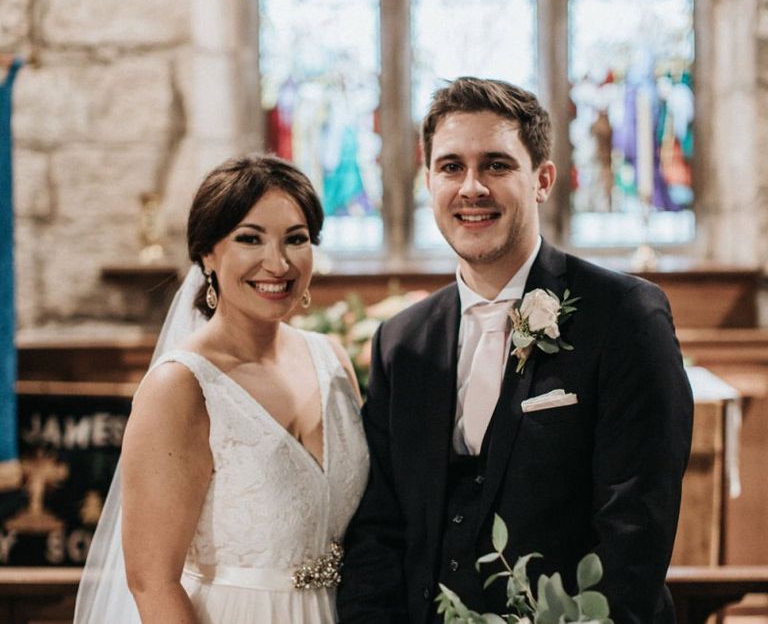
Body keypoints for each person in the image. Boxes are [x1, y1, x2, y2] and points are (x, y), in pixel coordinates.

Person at [337, 77, 693, 623]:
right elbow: (378, 529)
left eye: (497, 166)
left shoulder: (624, 316)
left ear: (542, 180)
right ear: (427, 179)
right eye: (451, 166)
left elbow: (634, 531)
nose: (471, 187)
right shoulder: (401, 341)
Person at [74, 154, 369, 623]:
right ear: (208, 254)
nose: (278, 263)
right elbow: (151, 581)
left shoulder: (332, 360)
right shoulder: (181, 387)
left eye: (296, 240)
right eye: (250, 239)